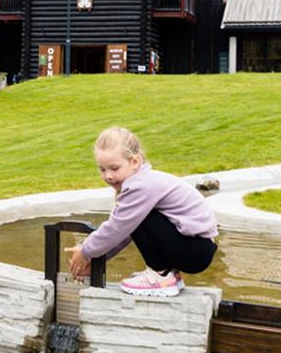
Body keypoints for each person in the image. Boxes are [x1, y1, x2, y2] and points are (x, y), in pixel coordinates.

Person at [65, 127, 218, 297]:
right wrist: (95, 261)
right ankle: (167, 274)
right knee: (135, 219)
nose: (108, 176)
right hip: (194, 247)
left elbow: (117, 227)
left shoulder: (140, 187)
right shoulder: (142, 182)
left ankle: (160, 275)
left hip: (194, 250)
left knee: (137, 218)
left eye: (114, 168)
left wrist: (86, 250)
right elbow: (123, 233)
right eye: (102, 169)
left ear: (135, 162)